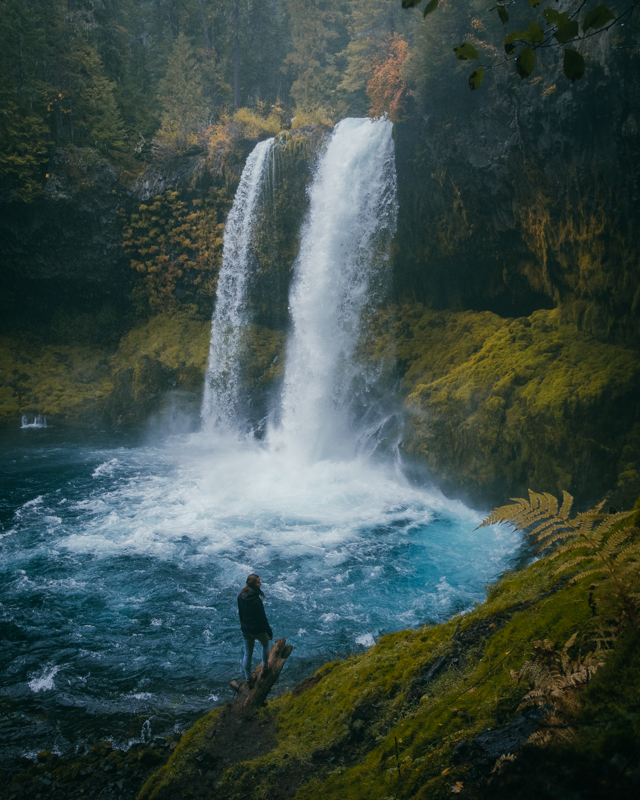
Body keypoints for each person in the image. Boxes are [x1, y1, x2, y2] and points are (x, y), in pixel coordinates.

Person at [237, 573, 272, 683]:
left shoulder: (240, 596)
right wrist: (269, 632)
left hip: (245, 630)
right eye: (258, 582)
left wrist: (243, 626)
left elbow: (241, 614)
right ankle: (265, 667)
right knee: (266, 645)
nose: (260, 583)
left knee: (247, 654)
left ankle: (248, 678)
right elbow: (263, 619)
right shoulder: (256, 600)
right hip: (257, 630)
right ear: (253, 585)